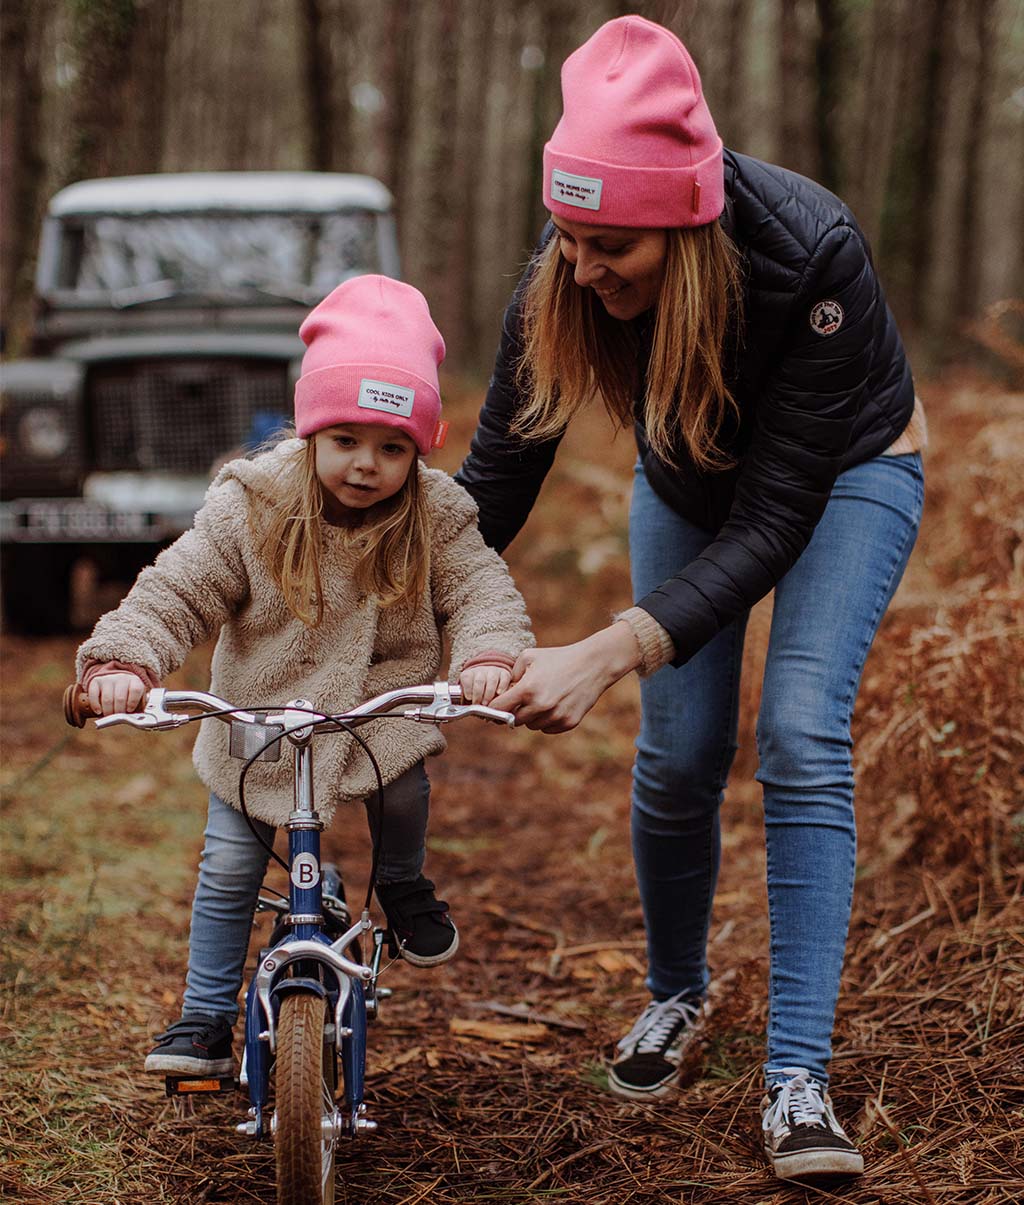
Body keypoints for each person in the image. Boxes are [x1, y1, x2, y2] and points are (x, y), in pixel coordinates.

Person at [456, 15, 925, 1186]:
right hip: (688, 465)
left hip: (848, 471)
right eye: (565, 235)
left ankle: (796, 1075)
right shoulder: (560, 276)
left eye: (609, 242)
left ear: (685, 221)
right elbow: (492, 484)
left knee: (800, 728)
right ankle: (676, 995)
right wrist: (385, 604)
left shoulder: (813, 254)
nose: (580, 264)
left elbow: (776, 520)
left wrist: (610, 645)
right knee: (678, 754)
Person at [75, 275, 533, 1079]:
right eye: (347, 439)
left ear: (421, 448)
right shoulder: (251, 505)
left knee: (404, 788)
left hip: (373, 710)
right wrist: (124, 660)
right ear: (311, 428)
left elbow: (480, 590)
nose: (368, 465)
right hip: (256, 714)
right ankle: (206, 1015)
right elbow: (177, 590)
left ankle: (400, 881)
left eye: (393, 448)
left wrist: (487, 658)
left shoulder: (438, 513)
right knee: (227, 865)